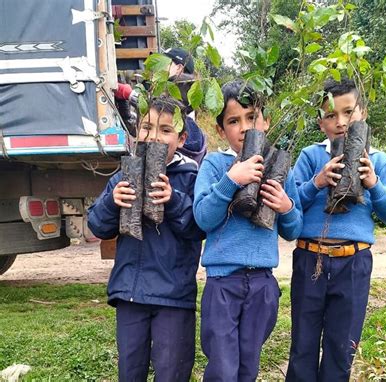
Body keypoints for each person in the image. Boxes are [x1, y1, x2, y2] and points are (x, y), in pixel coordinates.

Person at [286, 78, 386, 381]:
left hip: (354, 262)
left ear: (362, 112)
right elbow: (288, 204)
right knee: (303, 345)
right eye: (330, 115)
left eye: (348, 112)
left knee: (342, 348)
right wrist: (318, 182)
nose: (340, 122)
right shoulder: (311, 156)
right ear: (320, 121)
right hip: (310, 259)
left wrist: (373, 184)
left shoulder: (378, 160)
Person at [193, 80, 303, 381]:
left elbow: (293, 229)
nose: (244, 127)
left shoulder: (280, 167)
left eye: (251, 117)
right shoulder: (215, 165)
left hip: (262, 284)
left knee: (247, 365)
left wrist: (285, 206)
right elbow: (203, 218)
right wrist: (232, 180)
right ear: (220, 130)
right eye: (233, 121)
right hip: (222, 284)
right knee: (222, 367)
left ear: (265, 121)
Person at [88, 95, 204, 382]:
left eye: (166, 130)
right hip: (130, 292)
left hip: (173, 297)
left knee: (172, 371)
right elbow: (98, 226)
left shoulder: (191, 178)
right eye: (146, 127)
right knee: (130, 370)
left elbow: (200, 228)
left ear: (182, 138)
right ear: (136, 131)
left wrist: (174, 201)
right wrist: (111, 203)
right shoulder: (123, 176)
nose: (154, 137)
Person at [114, 47, 207, 165]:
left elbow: (164, 110)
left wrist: (130, 94)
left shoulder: (184, 88)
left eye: (163, 62)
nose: (157, 66)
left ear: (179, 68)